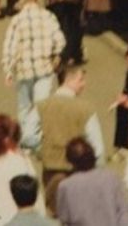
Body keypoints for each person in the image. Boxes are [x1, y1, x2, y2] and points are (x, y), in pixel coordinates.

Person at [2, 0, 66, 153]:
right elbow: (60, 40)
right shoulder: (48, 16)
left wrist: (8, 69)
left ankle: (25, 139)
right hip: (44, 68)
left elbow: (10, 46)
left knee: (24, 105)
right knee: (41, 104)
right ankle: (34, 137)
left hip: (24, 69)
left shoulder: (17, 20)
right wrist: (56, 55)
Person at [36, 62, 105, 214]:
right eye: (81, 80)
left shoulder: (42, 106)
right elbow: (97, 146)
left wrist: (43, 150)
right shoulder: (86, 109)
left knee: (54, 212)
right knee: (77, 213)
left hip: (51, 169)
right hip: (78, 170)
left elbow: (28, 137)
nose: (83, 84)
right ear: (69, 80)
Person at [55, 137, 128, 226]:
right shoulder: (111, 178)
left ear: (70, 161)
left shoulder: (65, 186)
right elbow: (123, 212)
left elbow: (64, 219)